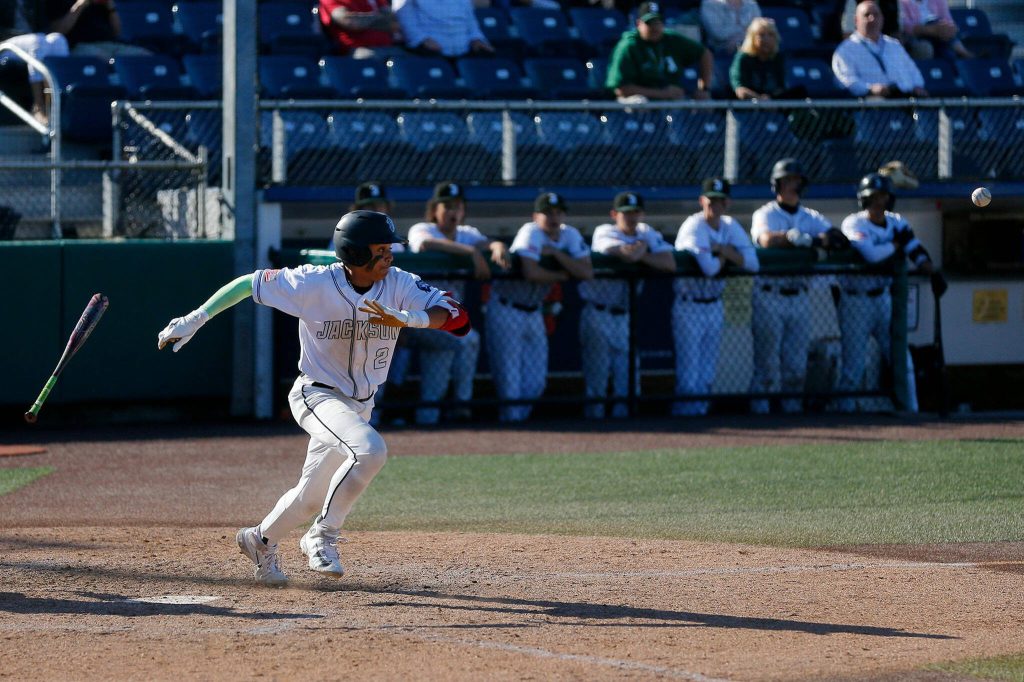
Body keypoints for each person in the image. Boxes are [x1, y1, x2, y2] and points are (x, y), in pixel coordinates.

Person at [157, 211, 472, 585]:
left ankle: (259, 540)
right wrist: (195, 318)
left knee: (309, 497)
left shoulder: (399, 283)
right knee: (371, 451)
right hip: (316, 395)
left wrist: (409, 318)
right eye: (381, 250)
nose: (389, 257)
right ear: (355, 254)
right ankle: (322, 535)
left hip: (359, 404)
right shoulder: (313, 282)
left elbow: (458, 317)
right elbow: (247, 284)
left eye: (390, 249)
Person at [836, 172, 945, 413]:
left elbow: (916, 250)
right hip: (856, 301)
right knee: (853, 367)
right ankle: (843, 414)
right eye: (873, 197)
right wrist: (896, 245)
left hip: (883, 299)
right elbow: (872, 256)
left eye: (883, 197)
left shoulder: (897, 222)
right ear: (863, 200)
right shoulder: (854, 223)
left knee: (902, 360)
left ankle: (911, 412)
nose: (878, 202)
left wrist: (931, 271)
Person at [748, 158, 849, 415]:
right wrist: (792, 238)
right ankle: (759, 415)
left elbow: (838, 238)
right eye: (787, 181)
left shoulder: (810, 216)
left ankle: (791, 414)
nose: (792, 186)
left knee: (795, 366)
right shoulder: (766, 213)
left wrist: (814, 239)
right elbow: (765, 239)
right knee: (767, 366)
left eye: (796, 181)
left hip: (799, 295)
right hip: (770, 294)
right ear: (777, 185)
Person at [406, 181, 510, 426]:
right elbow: (425, 244)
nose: (453, 212)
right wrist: (470, 252)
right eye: (447, 206)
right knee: (468, 339)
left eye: (458, 207)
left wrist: (497, 245)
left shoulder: (467, 233)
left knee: (435, 385)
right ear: (434, 210)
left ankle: (426, 428)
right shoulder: (423, 228)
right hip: (419, 319)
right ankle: (463, 404)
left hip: (444, 324)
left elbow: (488, 243)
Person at [487, 192, 592, 422]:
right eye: (547, 213)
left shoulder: (568, 234)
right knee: (510, 382)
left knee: (536, 381)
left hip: (533, 309)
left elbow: (587, 271)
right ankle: (511, 430)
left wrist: (556, 254)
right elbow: (531, 272)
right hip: (507, 308)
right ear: (536, 216)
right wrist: (562, 274)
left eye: (557, 212)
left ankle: (519, 425)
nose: (553, 218)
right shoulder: (530, 231)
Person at [577, 191, 676, 420]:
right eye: (625, 213)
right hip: (597, 312)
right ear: (614, 214)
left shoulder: (646, 232)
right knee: (597, 382)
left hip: (624, 317)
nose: (631, 218)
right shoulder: (605, 231)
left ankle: (626, 433)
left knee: (629, 381)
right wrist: (642, 250)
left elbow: (669, 264)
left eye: (635, 213)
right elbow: (626, 255)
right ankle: (593, 431)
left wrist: (640, 252)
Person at [672, 178, 759, 416]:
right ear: (702, 201)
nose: (716, 205)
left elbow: (753, 263)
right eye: (712, 200)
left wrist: (724, 250)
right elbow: (709, 269)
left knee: (707, 372)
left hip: (714, 305)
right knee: (689, 375)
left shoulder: (730, 226)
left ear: (727, 202)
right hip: (689, 305)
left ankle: (700, 418)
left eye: (721, 200)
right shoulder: (694, 226)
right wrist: (727, 255)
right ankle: (683, 423)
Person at [606, 1, 713, 103]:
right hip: (636, 101)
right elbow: (621, 89)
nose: (654, 27)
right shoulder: (628, 46)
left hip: (670, 99)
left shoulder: (671, 39)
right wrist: (662, 94)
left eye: (658, 22)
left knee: (704, 104)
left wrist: (704, 89)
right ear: (639, 24)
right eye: (649, 23)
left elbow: (705, 54)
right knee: (640, 103)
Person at [831, 0, 927, 99]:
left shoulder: (894, 45)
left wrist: (917, 87)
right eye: (866, 15)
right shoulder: (846, 50)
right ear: (856, 20)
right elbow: (845, 81)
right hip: (869, 105)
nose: (872, 18)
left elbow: (914, 73)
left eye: (876, 15)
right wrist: (870, 89)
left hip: (904, 102)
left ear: (882, 19)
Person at [1, 0, 69, 126]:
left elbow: (44, 27)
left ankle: (60, 108)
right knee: (36, 41)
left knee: (59, 40)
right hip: (4, 46)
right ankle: (38, 105)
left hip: (32, 43)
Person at [45, 0, 151, 59]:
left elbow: (118, 32)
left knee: (146, 57)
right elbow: (57, 31)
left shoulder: (101, 4)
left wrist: (111, 7)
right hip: (80, 46)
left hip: (111, 45)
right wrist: (79, 5)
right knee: (107, 60)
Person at [393, 0, 494, 59]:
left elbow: (471, 21)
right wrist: (422, 39)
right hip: (428, 50)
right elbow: (405, 19)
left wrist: (476, 38)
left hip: (464, 48)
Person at [729, 17, 792, 100]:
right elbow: (740, 90)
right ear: (752, 38)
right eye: (761, 35)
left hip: (774, 107)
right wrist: (760, 100)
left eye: (770, 34)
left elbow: (781, 87)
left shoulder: (778, 58)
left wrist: (771, 99)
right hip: (747, 107)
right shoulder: (743, 58)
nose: (766, 39)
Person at [319, 0, 405, 59]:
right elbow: (349, 21)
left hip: (388, 48)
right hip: (358, 50)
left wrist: (363, 20)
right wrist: (379, 18)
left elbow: (393, 24)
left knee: (408, 62)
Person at [898, 0, 972, 61]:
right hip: (916, 37)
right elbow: (904, 26)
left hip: (940, 36)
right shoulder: (902, 2)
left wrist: (943, 29)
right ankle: (964, 53)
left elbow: (948, 20)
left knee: (946, 51)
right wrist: (931, 29)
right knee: (931, 44)